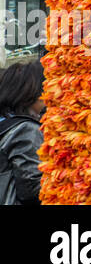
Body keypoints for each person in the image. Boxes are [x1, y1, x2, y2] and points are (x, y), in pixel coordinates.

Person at [0, 53, 44, 205]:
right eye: (43, 93)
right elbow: (31, 187)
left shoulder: (6, 125)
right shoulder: (25, 129)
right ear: (31, 94)